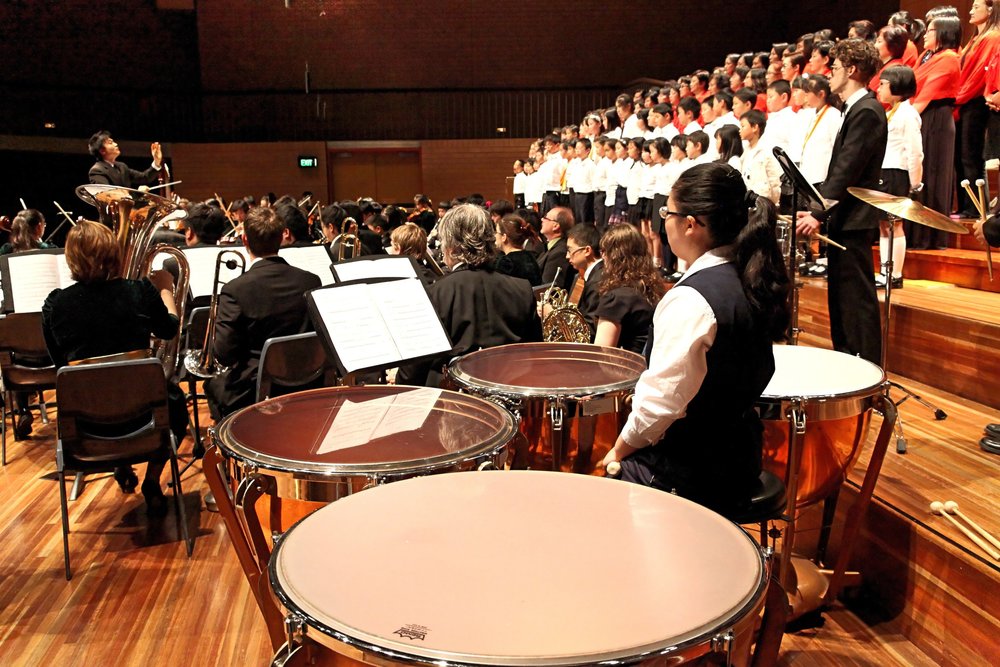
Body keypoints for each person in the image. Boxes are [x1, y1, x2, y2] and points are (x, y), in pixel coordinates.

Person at [601, 163, 791, 515]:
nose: (663, 222)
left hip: (692, 472)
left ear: (690, 224)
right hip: (741, 456)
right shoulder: (750, 275)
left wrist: (618, 449)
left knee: (601, 489)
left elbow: (660, 405)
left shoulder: (691, 300)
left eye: (666, 213)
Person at [41, 221, 188, 516]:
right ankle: (151, 481)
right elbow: (170, 329)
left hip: (87, 425)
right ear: (114, 253)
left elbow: (61, 366)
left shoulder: (55, 305)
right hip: (145, 418)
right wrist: (166, 290)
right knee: (175, 405)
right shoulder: (139, 291)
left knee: (104, 393)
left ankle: (121, 462)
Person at [796, 38, 887, 365]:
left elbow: (848, 167)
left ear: (852, 69)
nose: (829, 73)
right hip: (845, 216)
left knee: (855, 298)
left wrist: (818, 212)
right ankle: (848, 359)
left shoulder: (867, 110)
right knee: (842, 297)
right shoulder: (857, 108)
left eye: (834, 67)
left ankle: (864, 364)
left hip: (855, 217)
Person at [396, 204, 542, 387]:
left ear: (451, 247)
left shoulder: (435, 294)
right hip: (511, 392)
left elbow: (414, 368)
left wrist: (398, 385)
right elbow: (536, 355)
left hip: (451, 398)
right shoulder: (522, 289)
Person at [204, 207, 321, 420]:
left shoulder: (235, 289)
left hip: (257, 390)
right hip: (309, 380)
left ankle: (233, 438)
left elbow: (224, 354)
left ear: (244, 239)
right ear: (282, 237)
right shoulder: (311, 281)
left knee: (212, 385)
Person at [912, 14, 962, 249]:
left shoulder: (949, 58)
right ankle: (916, 233)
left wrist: (905, 118)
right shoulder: (927, 56)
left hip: (936, 119)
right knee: (921, 174)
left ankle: (930, 237)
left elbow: (926, 95)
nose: (925, 35)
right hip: (922, 116)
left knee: (932, 174)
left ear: (943, 33)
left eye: (930, 30)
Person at [875, 66, 923, 289]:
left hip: (896, 172)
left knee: (894, 224)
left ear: (897, 86)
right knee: (883, 225)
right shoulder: (890, 112)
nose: (879, 88)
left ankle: (894, 273)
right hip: (885, 172)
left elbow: (915, 151)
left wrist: (915, 182)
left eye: (883, 84)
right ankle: (885, 270)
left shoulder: (908, 114)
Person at [954, 0, 1000, 218]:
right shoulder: (976, 38)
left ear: (990, 10)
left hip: (975, 101)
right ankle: (966, 205)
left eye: (976, 7)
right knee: (963, 156)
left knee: (971, 156)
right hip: (965, 99)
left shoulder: (993, 37)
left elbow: (980, 75)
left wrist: (959, 95)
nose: (971, 11)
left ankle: (975, 207)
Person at [593, 225, 665, 354]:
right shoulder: (653, 291)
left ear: (613, 256)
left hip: (627, 366)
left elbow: (602, 355)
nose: (602, 256)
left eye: (604, 251)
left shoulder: (615, 299)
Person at [565, 223, 604, 339]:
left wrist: (555, 317)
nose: (567, 256)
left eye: (570, 250)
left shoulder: (597, 281)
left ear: (587, 250)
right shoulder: (587, 276)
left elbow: (589, 330)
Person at [87, 130, 163, 188]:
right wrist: (138, 193)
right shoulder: (97, 170)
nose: (116, 144)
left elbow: (145, 177)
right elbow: (107, 195)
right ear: (102, 151)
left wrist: (156, 161)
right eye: (110, 143)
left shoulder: (121, 166)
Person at [494, 213, 543, 286]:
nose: (495, 235)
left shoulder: (505, 263)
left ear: (504, 237)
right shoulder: (530, 257)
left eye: (496, 232)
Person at [535, 206, 576, 290]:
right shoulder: (551, 247)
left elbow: (548, 288)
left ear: (556, 226)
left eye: (546, 218)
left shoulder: (559, 253)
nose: (542, 219)